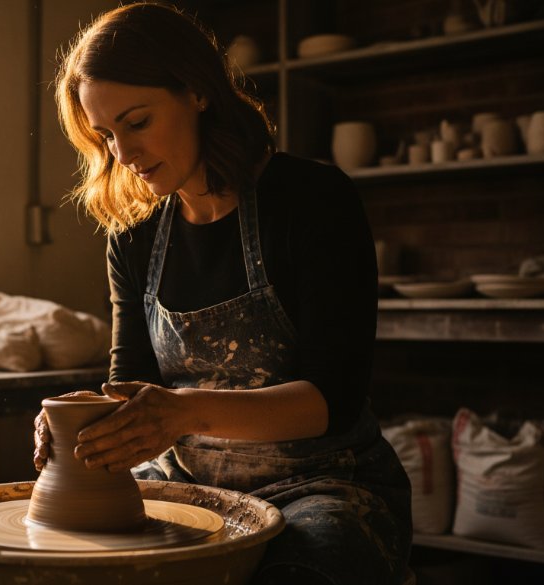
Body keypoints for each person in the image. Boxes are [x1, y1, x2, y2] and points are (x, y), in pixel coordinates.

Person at [34, 3, 412, 584]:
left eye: (137, 122)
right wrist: (85, 424)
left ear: (197, 92)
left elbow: (332, 400)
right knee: (70, 562)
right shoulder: (133, 239)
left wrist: (182, 412)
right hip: (187, 483)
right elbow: (134, 385)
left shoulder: (313, 201)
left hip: (323, 484)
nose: (124, 156)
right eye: (106, 136)